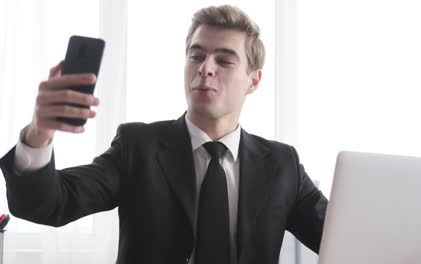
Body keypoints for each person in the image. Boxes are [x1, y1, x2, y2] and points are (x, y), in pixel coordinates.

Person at [0, 5, 327, 264]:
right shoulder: (137, 147)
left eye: (224, 60)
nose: (205, 67)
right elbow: (47, 204)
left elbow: (341, 238)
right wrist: (39, 132)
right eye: (197, 55)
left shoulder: (283, 164)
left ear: (253, 81)